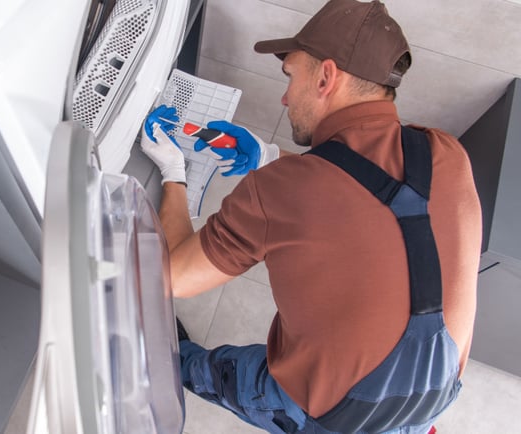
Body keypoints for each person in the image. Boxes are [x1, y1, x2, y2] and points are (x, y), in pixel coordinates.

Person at [139, 0, 482, 432]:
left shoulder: (284, 189)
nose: (284, 97)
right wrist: (267, 155)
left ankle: (176, 359)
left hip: (333, 416)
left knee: (225, 375)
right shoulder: (445, 151)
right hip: (432, 397)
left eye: (289, 77)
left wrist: (174, 171)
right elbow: (367, 190)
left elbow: (174, 275)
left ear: (326, 77)